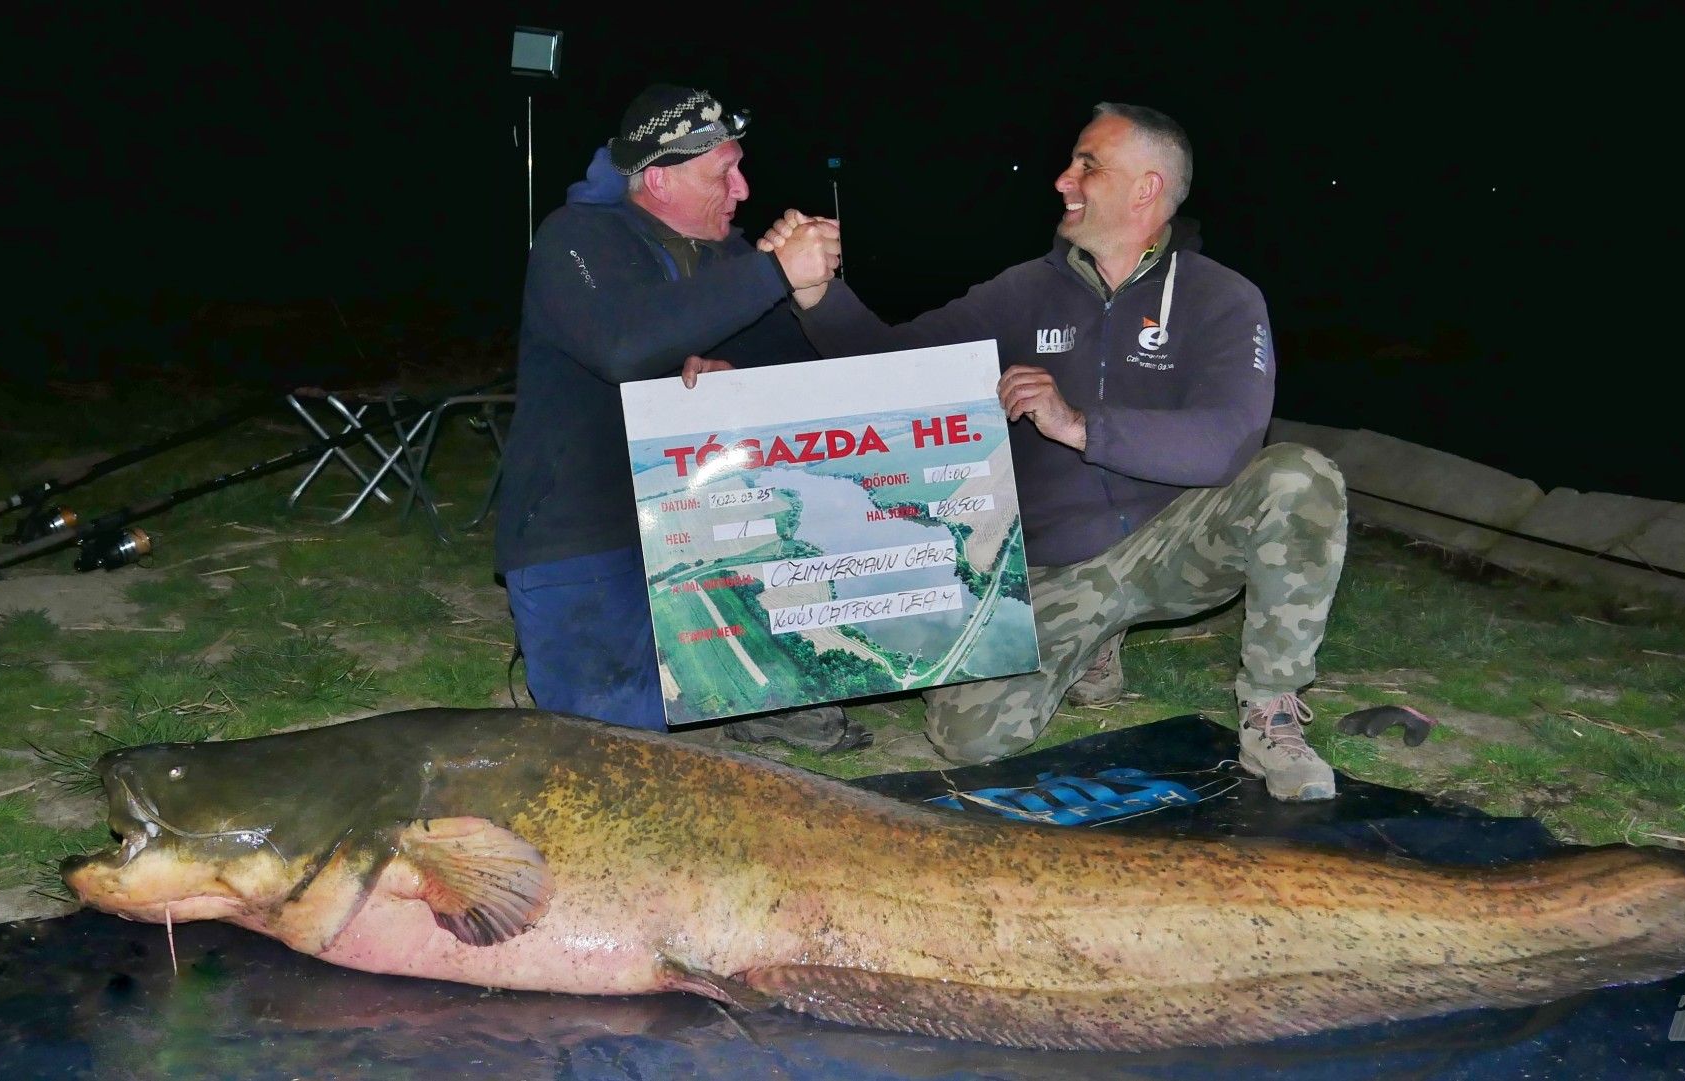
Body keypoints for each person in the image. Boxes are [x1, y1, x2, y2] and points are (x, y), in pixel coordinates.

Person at [757, 102, 1376, 799]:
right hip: (1059, 565)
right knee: (967, 736)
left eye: (1088, 164)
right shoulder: (1023, 292)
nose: (1063, 179)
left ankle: (1271, 710)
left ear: (1146, 187)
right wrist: (815, 294)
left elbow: (1231, 438)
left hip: (1178, 542)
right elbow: (892, 360)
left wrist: (1080, 424)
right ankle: (1093, 644)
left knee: (1299, 476)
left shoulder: (1223, 298)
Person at [493, 84, 870, 753]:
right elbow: (621, 342)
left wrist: (810, 299)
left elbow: (821, 388)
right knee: (625, 749)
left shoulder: (729, 257)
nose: (744, 188)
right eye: (723, 171)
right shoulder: (575, 239)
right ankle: (706, 698)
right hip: (584, 533)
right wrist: (774, 271)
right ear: (659, 179)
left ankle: (755, 697)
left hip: (705, 523)